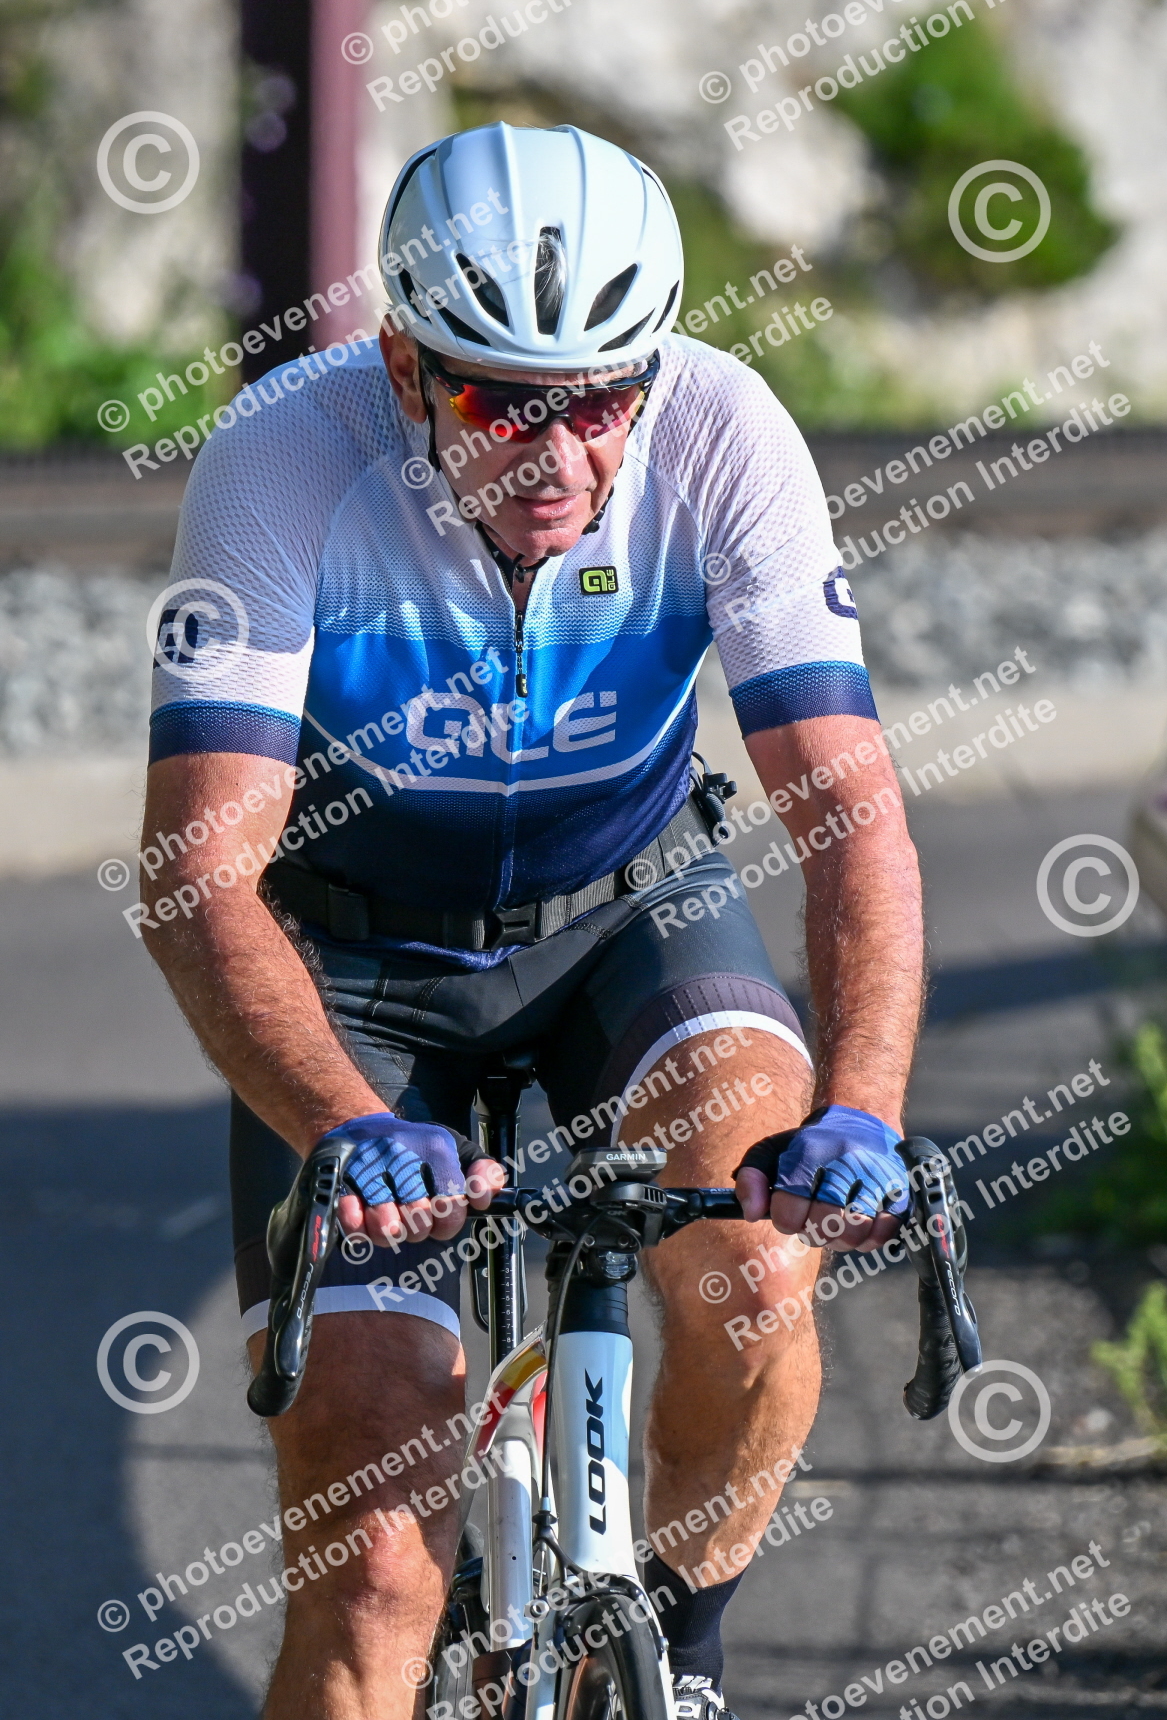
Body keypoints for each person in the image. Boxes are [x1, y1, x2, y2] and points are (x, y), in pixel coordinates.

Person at [140, 121, 924, 1720]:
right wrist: (342, 1120)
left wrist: (862, 1109)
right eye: (506, 402)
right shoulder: (284, 456)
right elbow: (198, 876)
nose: (558, 454)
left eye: (603, 399)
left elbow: (850, 813)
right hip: (355, 963)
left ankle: (677, 1643)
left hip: (629, 910)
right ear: (409, 368)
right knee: (375, 1559)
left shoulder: (725, 432)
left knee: (757, 1274)